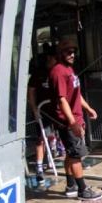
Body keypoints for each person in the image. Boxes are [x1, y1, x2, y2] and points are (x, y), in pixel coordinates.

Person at [49, 38, 102, 200]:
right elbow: (62, 99)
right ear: (60, 53)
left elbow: (76, 95)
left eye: (74, 52)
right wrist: (72, 123)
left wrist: (88, 108)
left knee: (71, 154)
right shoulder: (58, 71)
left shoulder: (69, 70)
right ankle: (83, 190)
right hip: (69, 123)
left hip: (76, 119)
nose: (72, 54)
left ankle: (71, 185)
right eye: (68, 52)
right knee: (76, 156)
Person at [27, 44, 57, 185]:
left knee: (53, 135)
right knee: (41, 138)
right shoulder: (38, 74)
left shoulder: (57, 72)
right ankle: (39, 167)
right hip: (42, 110)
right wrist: (34, 109)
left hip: (56, 110)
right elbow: (31, 92)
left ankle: (53, 155)